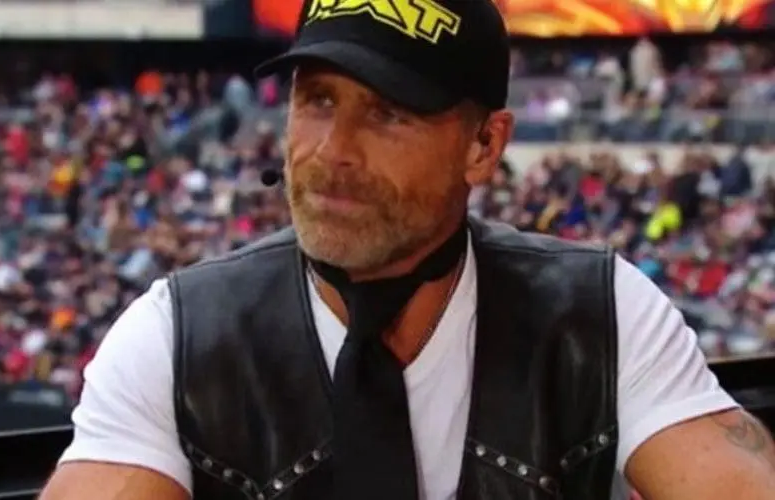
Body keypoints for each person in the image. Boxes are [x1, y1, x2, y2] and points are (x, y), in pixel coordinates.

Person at [41, 0, 775, 499]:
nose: (333, 151)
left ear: (484, 145)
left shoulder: (601, 312)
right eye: (317, 100)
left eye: (388, 112)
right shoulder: (175, 335)